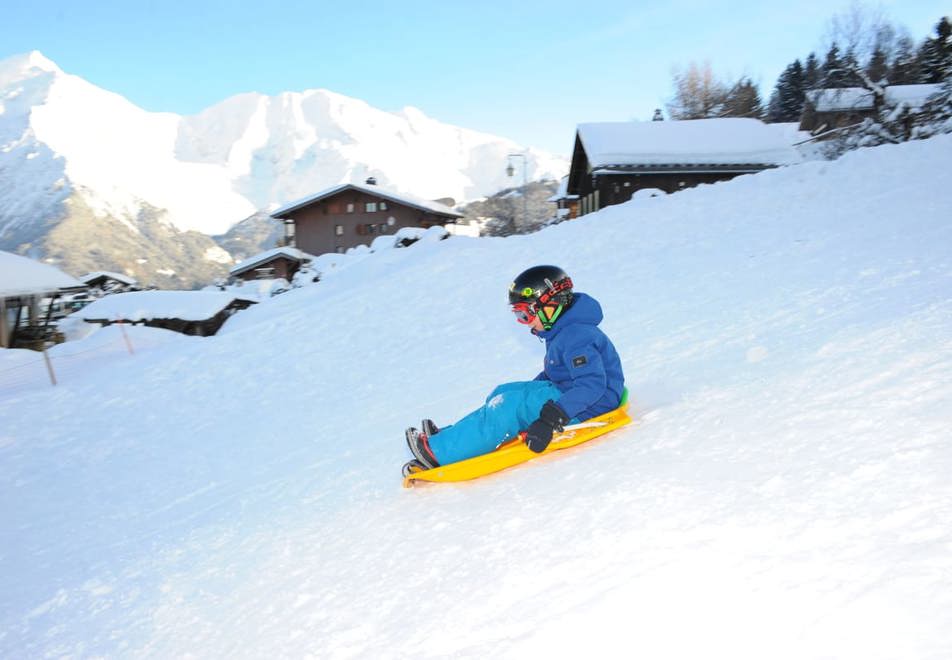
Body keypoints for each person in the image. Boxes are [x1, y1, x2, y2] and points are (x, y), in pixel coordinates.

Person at [405, 265, 625, 470]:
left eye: (526, 314)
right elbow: (558, 373)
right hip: (572, 395)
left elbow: (592, 386)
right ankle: (451, 437)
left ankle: (439, 452)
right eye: (520, 316)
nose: (526, 322)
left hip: (590, 407)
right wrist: (527, 391)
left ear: (552, 305)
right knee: (503, 394)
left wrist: (550, 419)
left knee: (509, 406)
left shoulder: (576, 336)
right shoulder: (562, 331)